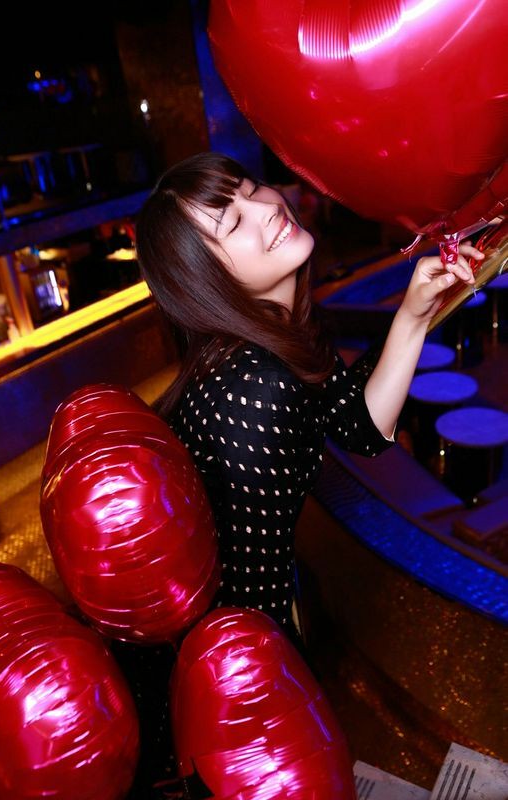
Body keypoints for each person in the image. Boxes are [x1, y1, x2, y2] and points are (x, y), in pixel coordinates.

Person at [129, 151, 481, 795]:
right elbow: (241, 604)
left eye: (251, 188)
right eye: (232, 223)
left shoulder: (275, 337)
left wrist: (413, 312)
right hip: (218, 695)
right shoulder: (254, 386)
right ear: (203, 278)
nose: (266, 208)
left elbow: (358, 427)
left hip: (232, 662)